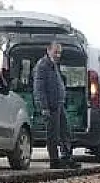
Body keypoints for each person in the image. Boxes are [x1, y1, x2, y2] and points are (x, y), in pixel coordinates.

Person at [33, 42, 78, 170]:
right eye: (56, 52)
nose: (58, 55)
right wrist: (44, 107)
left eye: (59, 52)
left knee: (65, 132)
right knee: (52, 134)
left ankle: (66, 158)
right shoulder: (43, 65)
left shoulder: (54, 65)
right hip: (50, 106)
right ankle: (54, 160)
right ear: (48, 50)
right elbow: (39, 88)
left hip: (59, 104)